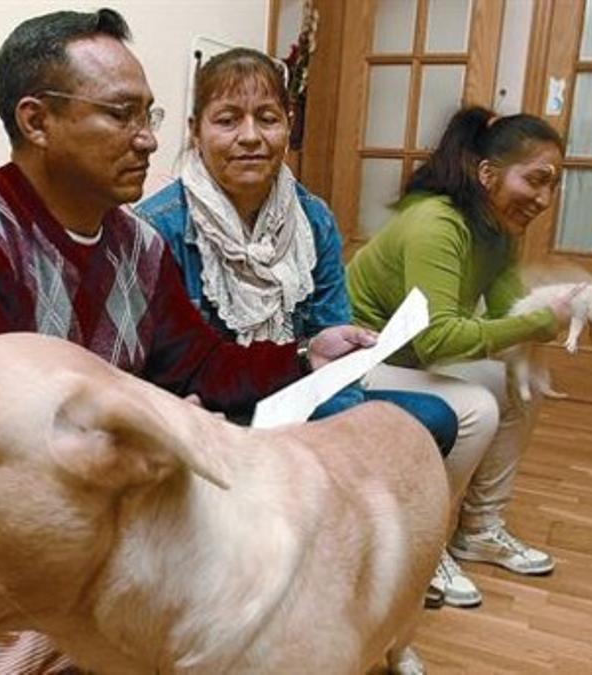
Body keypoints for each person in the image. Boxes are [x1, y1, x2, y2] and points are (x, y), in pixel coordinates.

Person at [0, 9, 374, 417]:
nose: (148, 139)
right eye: (121, 114)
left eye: (147, 114)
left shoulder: (138, 244)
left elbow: (198, 365)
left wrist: (307, 357)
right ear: (36, 121)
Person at [135, 47, 476, 609]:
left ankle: (357, 567)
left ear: (288, 128)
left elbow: (330, 337)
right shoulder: (157, 228)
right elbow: (167, 367)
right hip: (215, 405)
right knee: (363, 452)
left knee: (432, 420)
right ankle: (354, 574)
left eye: (267, 118)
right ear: (196, 131)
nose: (250, 136)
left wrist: (342, 412)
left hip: (301, 387)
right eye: (228, 120)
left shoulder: (312, 218)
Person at [346, 106, 574, 604]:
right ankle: (421, 546)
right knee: (478, 407)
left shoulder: (494, 233)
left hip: (408, 357)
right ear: (488, 174)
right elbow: (440, 339)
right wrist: (539, 320)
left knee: (521, 378)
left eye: (552, 186)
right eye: (536, 180)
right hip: (357, 360)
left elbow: (511, 313)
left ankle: (478, 530)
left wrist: (566, 312)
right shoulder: (437, 223)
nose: (543, 198)